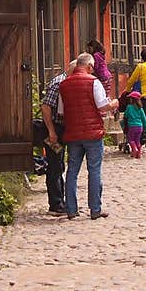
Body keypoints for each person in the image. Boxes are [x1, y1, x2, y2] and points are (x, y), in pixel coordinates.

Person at [57, 51, 120, 218]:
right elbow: (102, 106)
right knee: (94, 171)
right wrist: (113, 103)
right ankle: (95, 209)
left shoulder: (63, 85)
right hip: (92, 134)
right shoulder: (94, 82)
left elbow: (61, 112)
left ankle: (71, 209)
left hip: (72, 134)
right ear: (89, 66)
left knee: (72, 172)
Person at [40, 61, 76, 215]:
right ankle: (55, 204)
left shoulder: (67, 81)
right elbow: (46, 107)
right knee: (55, 165)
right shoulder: (58, 83)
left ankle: (60, 201)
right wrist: (51, 132)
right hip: (54, 129)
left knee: (59, 164)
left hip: (61, 129)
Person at [123, 90, 146, 158]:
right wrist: (145, 126)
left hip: (132, 126)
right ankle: (138, 153)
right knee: (137, 140)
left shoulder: (129, 107)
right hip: (140, 126)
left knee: (130, 139)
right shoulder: (140, 108)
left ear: (131, 99)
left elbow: (126, 115)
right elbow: (144, 118)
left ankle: (134, 149)